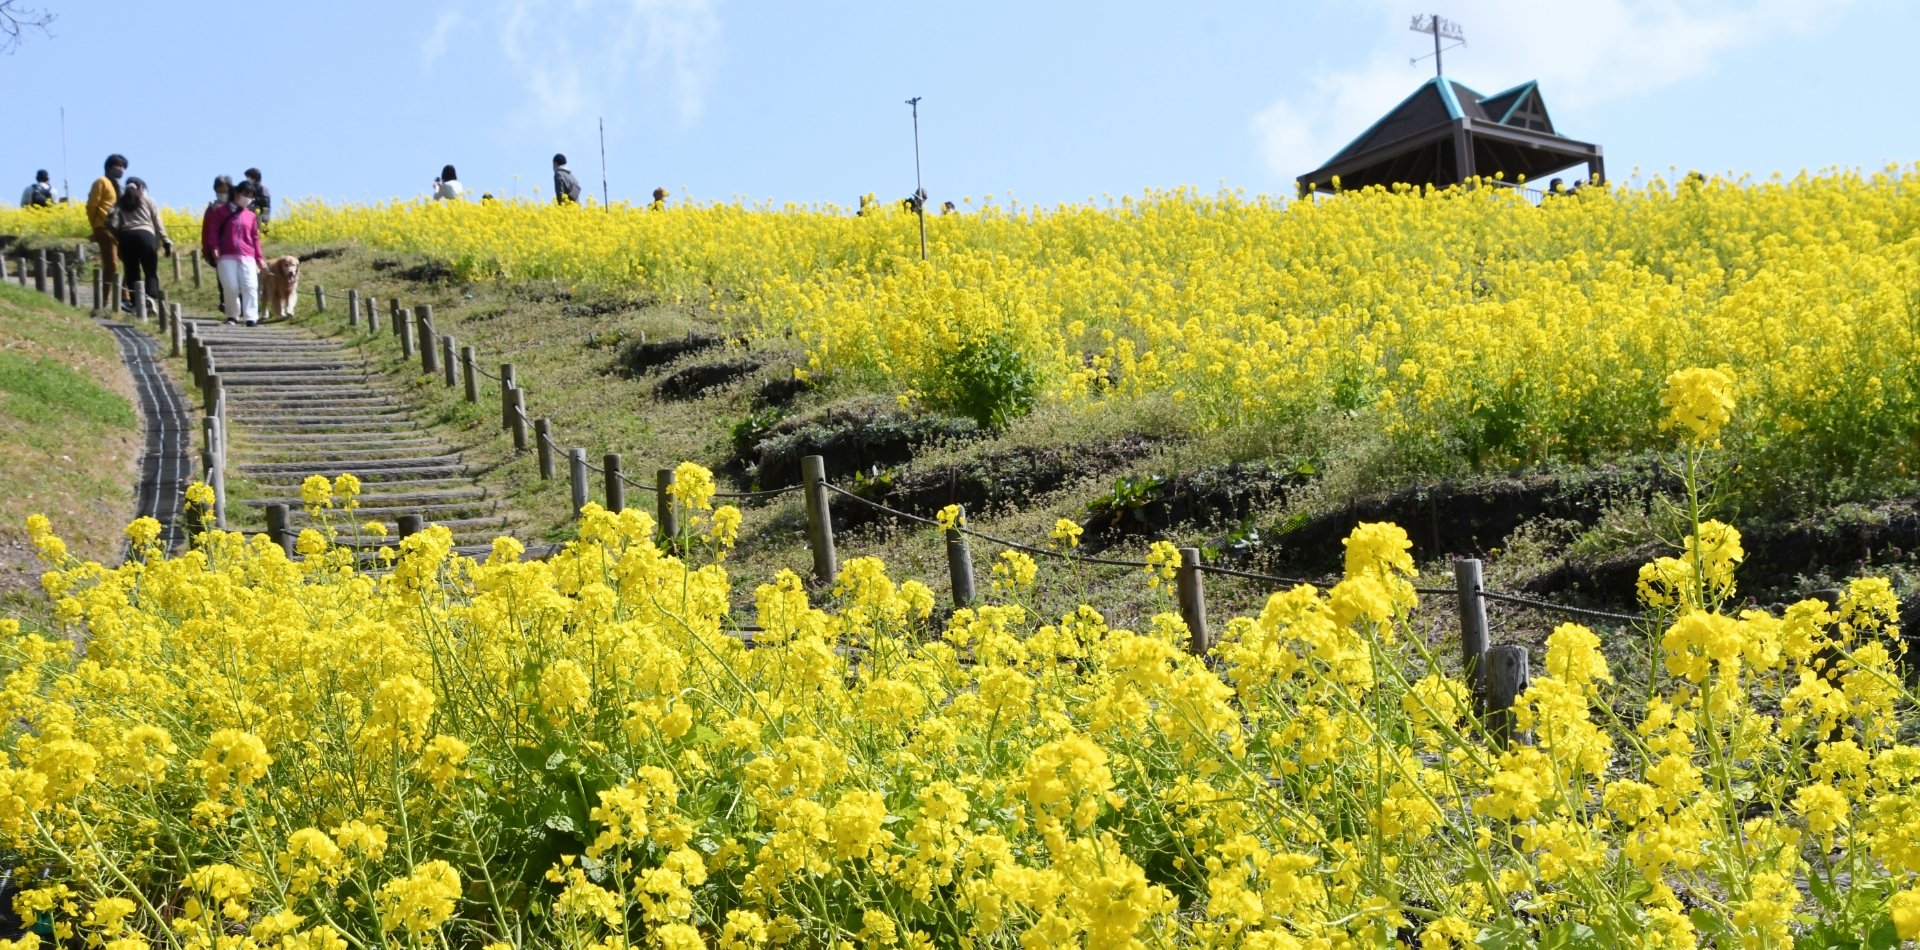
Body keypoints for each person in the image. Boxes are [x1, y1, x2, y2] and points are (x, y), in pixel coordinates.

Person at [108, 177, 173, 310]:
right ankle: (151, 299)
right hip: (146, 236)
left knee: (132, 272)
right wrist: (165, 240)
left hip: (126, 237)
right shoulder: (148, 200)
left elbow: (110, 220)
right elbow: (158, 222)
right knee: (150, 271)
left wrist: (119, 235)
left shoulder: (120, 203)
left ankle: (136, 303)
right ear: (140, 188)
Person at [208, 180, 265, 326]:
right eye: (245, 194)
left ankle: (251, 317)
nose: (248, 198)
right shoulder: (220, 211)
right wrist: (214, 247)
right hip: (226, 255)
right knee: (230, 287)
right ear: (237, 193)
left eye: (251, 196)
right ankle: (232, 315)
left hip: (247, 255)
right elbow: (213, 231)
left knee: (250, 285)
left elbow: (255, 238)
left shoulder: (251, 216)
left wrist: (259, 258)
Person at [87, 154, 127, 303]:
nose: (122, 169)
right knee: (111, 265)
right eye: (119, 166)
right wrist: (96, 226)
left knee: (129, 262)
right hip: (104, 227)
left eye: (123, 167)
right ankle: (103, 300)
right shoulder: (101, 182)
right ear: (109, 167)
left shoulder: (120, 186)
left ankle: (125, 297)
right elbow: (92, 205)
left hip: (119, 229)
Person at [201, 175, 233, 311]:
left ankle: (238, 304)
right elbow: (206, 230)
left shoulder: (236, 206)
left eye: (225, 191)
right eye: (219, 191)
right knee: (222, 276)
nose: (222, 194)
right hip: (219, 248)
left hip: (235, 247)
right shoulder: (212, 209)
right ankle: (224, 301)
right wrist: (206, 248)